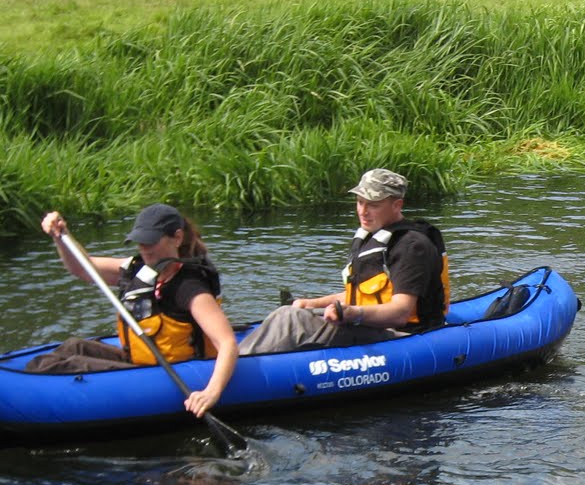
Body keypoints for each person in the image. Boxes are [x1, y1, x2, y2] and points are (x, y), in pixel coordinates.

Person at [27, 203, 237, 419]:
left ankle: (27, 396)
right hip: (141, 361)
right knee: (74, 346)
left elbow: (227, 343)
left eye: (151, 241)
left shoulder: (189, 287)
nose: (144, 249)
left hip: (175, 368)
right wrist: (61, 236)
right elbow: (83, 268)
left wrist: (212, 392)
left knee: (66, 365)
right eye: (140, 242)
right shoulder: (139, 270)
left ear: (177, 237)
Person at [239, 168, 450, 356]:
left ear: (397, 205)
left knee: (289, 319)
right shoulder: (372, 236)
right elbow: (360, 295)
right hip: (371, 326)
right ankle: (240, 360)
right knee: (289, 313)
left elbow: (401, 312)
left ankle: (239, 369)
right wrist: (311, 303)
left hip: (403, 338)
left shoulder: (411, 246)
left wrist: (354, 314)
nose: (363, 211)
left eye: (373, 205)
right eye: (360, 202)